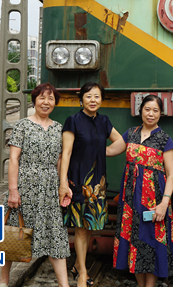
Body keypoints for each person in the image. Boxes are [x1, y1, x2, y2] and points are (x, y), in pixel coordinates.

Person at [0, 83, 70, 287]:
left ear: (55, 103)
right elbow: (14, 159)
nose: (46, 102)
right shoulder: (22, 125)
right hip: (25, 186)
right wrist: (13, 190)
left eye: (50, 99)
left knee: (56, 236)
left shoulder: (58, 128)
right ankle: (3, 280)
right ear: (34, 101)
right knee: (13, 233)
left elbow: (60, 161)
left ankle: (64, 285)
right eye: (42, 98)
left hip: (49, 189)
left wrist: (63, 185)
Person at [109, 95, 173, 286]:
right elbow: (110, 150)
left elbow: (171, 175)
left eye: (155, 110)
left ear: (160, 114)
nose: (151, 114)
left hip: (154, 200)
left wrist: (164, 203)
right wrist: (87, 143)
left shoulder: (165, 139)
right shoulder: (130, 134)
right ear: (141, 111)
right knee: (135, 240)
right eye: (147, 109)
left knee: (152, 240)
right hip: (131, 201)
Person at [59, 82, 121, 287]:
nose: (93, 100)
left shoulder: (104, 121)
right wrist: (63, 182)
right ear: (81, 100)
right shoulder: (73, 121)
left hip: (97, 184)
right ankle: (82, 273)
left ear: (101, 100)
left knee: (91, 226)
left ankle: (79, 264)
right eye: (88, 96)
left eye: (96, 96)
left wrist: (103, 151)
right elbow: (66, 153)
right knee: (80, 228)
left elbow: (120, 142)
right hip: (78, 181)